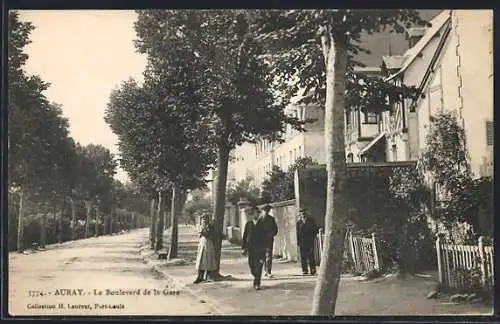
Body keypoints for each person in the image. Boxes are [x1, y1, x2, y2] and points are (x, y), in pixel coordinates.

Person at [242, 206, 266, 290]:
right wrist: (244, 248)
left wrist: (265, 248)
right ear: (252, 215)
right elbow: (245, 236)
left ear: (258, 214)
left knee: (259, 265)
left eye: (257, 213)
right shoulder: (248, 224)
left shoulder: (262, 224)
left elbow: (265, 237)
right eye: (254, 213)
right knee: (252, 266)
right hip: (251, 249)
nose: (255, 215)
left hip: (260, 248)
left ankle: (257, 283)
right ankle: (256, 277)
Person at [193, 214, 217, 284]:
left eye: (205, 219)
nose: (204, 220)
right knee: (201, 258)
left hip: (208, 243)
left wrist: (203, 230)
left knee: (208, 259)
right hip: (202, 242)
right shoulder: (201, 226)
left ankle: (208, 276)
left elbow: (208, 234)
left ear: (208, 220)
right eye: (203, 219)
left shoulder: (210, 226)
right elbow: (199, 234)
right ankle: (200, 276)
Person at [296, 208, 319, 275]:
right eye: (301, 212)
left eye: (304, 212)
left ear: (306, 213)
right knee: (303, 257)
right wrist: (298, 242)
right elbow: (297, 233)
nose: (302, 214)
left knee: (311, 256)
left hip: (309, 240)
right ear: (300, 214)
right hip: (302, 242)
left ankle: (313, 270)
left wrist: (312, 237)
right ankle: (305, 270)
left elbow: (315, 230)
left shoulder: (311, 221)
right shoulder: (298, 223)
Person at [260, 204, 278, 278]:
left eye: (268, 211)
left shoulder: (271, 219)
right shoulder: (259, 219)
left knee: (269, 256)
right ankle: (264, 271)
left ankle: (268, 271)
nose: (267, 212)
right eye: (265, 211)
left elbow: (275, 230)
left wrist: (272, 234)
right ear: (262, 211)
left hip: (269, 240)